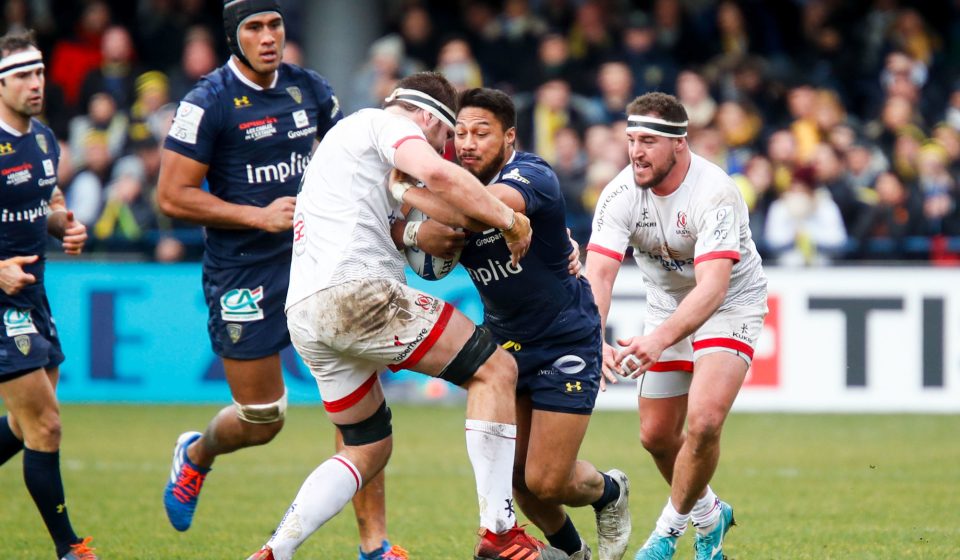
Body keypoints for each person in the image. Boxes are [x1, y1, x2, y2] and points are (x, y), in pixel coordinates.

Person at [245, 71, 558, 560]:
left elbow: (377, 221)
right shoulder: (386, 125)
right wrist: (510, 220)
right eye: (446, 136)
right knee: (497, 369)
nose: (447, 149)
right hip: (358, 294)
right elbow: (436, 175)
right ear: (429, 119)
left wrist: (411, 235)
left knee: (367, 445)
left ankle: (276, 550)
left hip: (306, 311)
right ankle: (499, 532)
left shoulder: (342, 144)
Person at [156, 3, 402, 558]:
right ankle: (197, 455)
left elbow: (349, 161)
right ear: (232, 38)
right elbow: (171, 197)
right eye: (254, 28)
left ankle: (375, 545)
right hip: (242, 271)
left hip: (315, 261)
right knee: (263, 418)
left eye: (275, 26)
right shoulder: (207, 102)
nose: (268, 38)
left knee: (358, 405)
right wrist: (258, 215)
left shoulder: (309, 90)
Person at [396, 87, 631, 560]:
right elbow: (412, 224)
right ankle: (574, 554)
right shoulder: (453, 181)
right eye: (459, 133)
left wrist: (401, 189)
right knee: (518, 482)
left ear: (509, 138)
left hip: (565, 337)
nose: (467, 143)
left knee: (547, 479)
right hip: (506, 345)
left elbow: (473, 210)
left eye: (481, 133)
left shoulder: (531, 174)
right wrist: (413, 229)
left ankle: (609, 491)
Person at [583, 92, 768, 560]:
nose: (635, 152)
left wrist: (657, 340)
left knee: (704, 420)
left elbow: (713, 288)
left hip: (730, 303)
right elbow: (599, 272)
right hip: (667, 306)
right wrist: (591, 336)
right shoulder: (619, 192)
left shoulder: (716, 192)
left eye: (648, 141)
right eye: (630, 140)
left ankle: (665, 535)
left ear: (679, 144)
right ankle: (710, 515)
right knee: (656, 436)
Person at [0, 31, 98, 560]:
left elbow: (49, 201)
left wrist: (65, 226)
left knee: (23, 424)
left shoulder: (42, 139)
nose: (35, 84)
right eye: (22, 76)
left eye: (38, 73)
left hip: (33, 296)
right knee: (46, 424)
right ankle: (69, 548)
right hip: (0, 301)